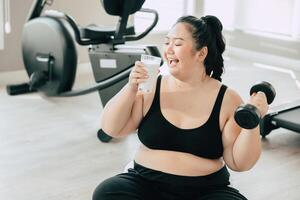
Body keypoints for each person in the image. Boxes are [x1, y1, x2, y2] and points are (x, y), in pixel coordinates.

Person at [93, 15, 268, 200]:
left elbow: (238, 163)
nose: (168, 49)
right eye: (166, 42)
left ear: (201, 53)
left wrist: (252, 123)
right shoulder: (151, 87)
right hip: (145, 183)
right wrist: (131, 87)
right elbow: (112, 128)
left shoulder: (227, 99)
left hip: (205, 190)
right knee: (107, 192)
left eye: (177, 43)